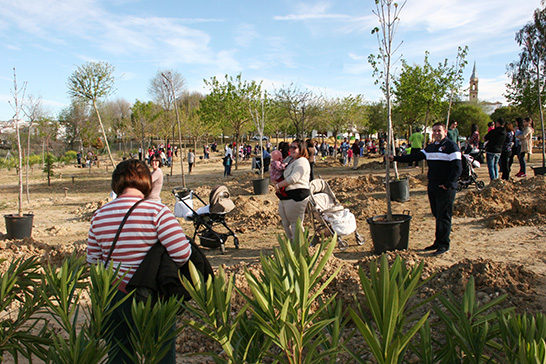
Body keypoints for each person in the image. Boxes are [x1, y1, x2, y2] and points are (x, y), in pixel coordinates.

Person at [87, 159, 191, 364]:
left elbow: (93, 262)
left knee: (119, 354)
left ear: (116, 183)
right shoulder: (157, 212)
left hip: (113, 295)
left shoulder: (99, 216)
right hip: (150, 295)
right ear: (147, 181)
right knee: (160, 353)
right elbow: (182, 254)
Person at [388, 122, 462, 256]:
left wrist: (449, 184)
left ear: (445, 132)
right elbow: (415, 157)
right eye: (434, 131)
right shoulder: (431, 147)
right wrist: (395, 158)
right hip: (432, 186)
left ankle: (444, 244)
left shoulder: (451, 147)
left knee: (444, 216)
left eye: (439, 131)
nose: (436, 133)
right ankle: (437, 242)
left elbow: (457, 167)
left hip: (445, 188)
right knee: (437, 214)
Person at [274, 140, 311, 242]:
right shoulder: (290, 160)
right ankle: (291, 243)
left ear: (301, 149)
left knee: (295, 223)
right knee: (285, 223)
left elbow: (294, 178)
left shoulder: (302, 161)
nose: (291, 149)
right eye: (291, 147)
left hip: (297, 195)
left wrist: (279, 185)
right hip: (285, 195)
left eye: (295, 147)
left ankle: (299, 246)